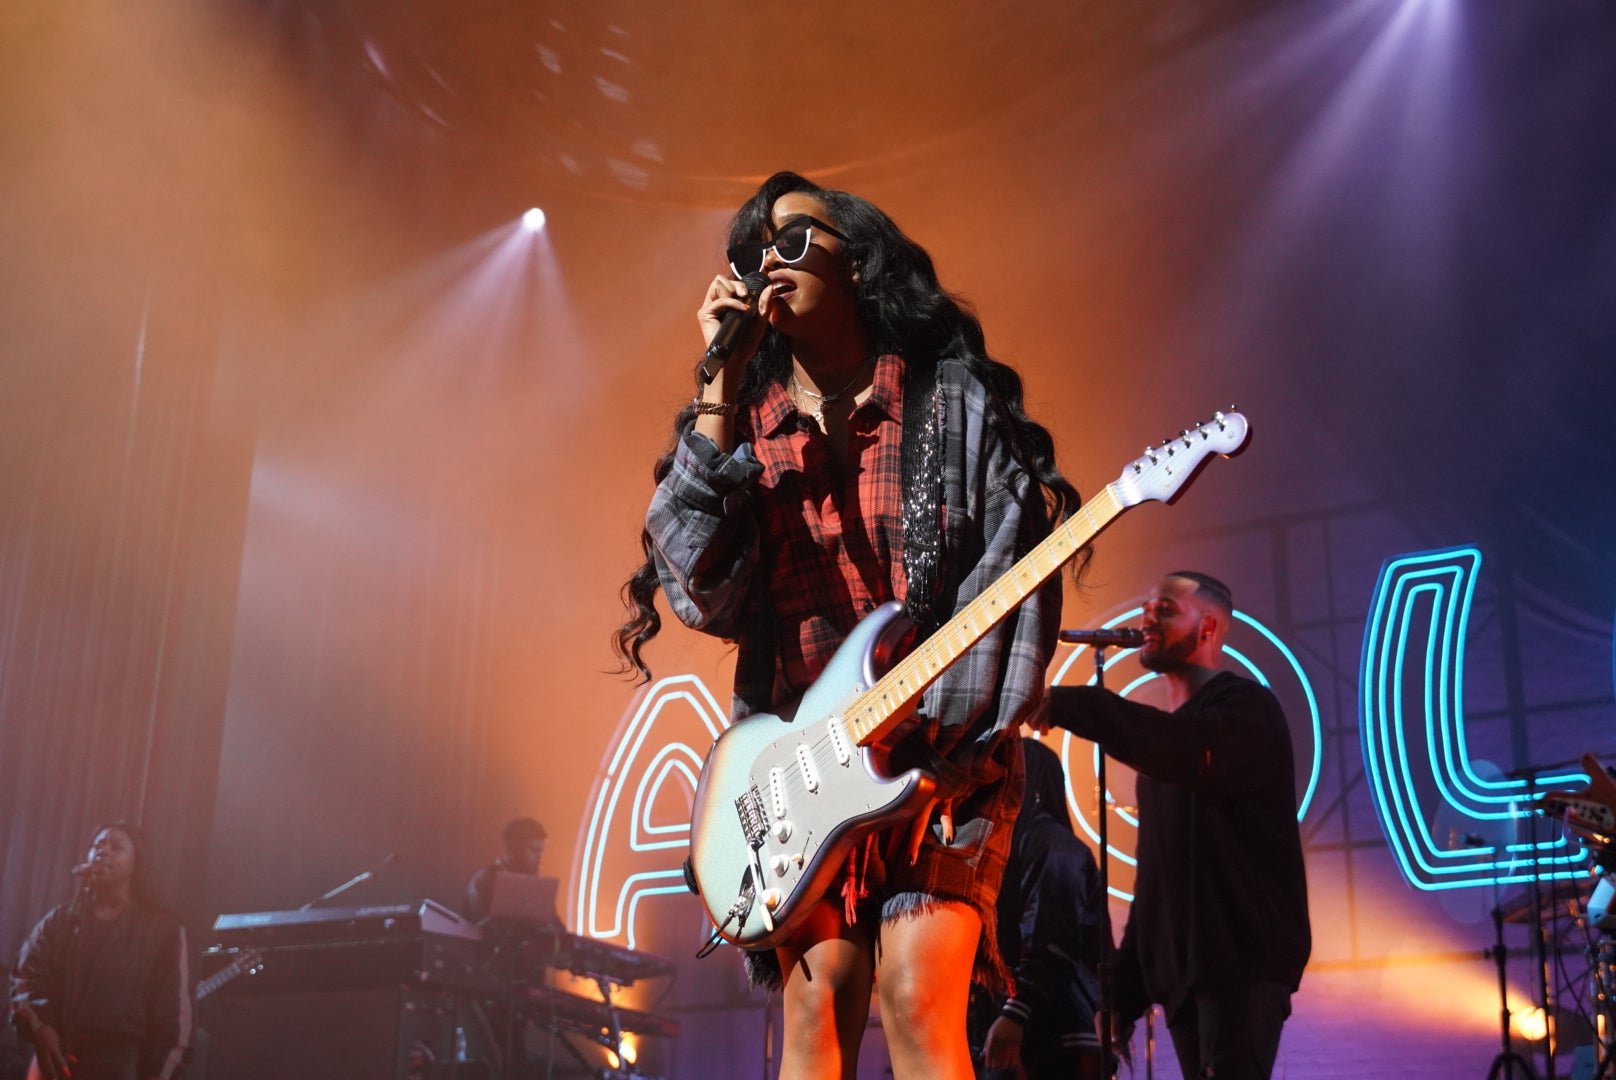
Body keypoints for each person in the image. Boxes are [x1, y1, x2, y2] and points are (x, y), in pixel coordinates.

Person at [615, 170, 1085, 1080]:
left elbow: (1013, 573)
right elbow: (700, 593)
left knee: (915, 996)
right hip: (805, 768)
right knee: (817, 1003)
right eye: (750, 254)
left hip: (939, 753)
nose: (767, 263)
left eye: (791, 242)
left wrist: (936, 723)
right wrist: (718, 385)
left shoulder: (949, 402)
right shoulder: (747, 427)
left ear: (859, 263)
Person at [1045, 572, 1311, 1080]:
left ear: (1207, 627)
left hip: (1242, 965)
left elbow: (1188, 749)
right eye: (1147, 607)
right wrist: (1122, 997)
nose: (1148, 618)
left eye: (1165, 609)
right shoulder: (1162, 757)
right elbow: (1153, 886)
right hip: (1185, 978)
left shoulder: (1247, 710)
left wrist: (1075, 705)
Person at [9, 822, 191, 1080]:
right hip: (55, 1059)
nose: (103, 851)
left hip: (119, 1064)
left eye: (116, 847)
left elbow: (172, 1020)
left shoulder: (163, 929)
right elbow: (24, 975)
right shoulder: (61, 920)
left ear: (137, 862)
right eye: (97, 845)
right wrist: (40, 1028)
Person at [971, 737, 1106, 1080]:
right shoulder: (1023, 847)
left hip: (1054, 1037)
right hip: (1027, 1032)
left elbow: (1050, 935)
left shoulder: (1052, 845)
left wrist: (1017, 1010)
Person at [464, 816, 549, 924]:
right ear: (511, 847)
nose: (540, 856)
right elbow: (488, 926)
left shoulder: (535, 885)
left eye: (542, 851)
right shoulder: (487, 879)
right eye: (534, 850)